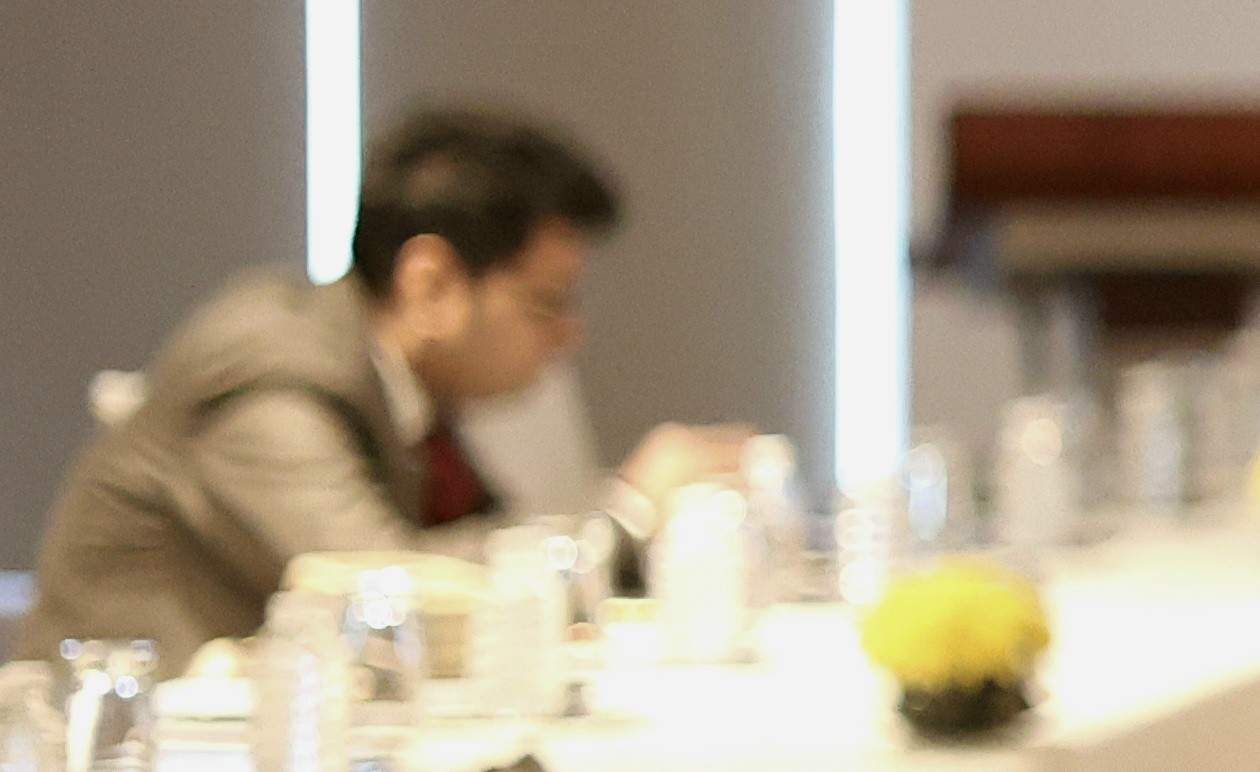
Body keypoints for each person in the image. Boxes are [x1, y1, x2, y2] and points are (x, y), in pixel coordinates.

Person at [31, 106, 741, 656]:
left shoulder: (410, 391)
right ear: (430, 285)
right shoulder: (274, 372)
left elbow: (488, 544)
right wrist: (627, 514)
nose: (569, 334)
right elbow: (390, 593)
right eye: (546, 302)